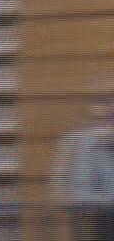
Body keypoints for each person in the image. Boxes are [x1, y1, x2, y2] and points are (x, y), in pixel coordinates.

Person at [52, 96, 114, 241]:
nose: (105, 125)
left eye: (110, 118)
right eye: (99, 119)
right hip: (90, 218)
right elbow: (58, 191)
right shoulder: (73, 143)